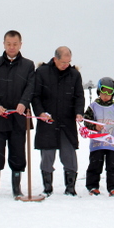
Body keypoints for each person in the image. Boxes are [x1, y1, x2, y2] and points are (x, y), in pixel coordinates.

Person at [0, 30, 35, 198]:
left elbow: (30, 87)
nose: (11, 47)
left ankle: (16, 188)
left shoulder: (28, 65)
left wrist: (23, 103)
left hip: (19, 118)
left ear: (20, 44)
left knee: (18, 152)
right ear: (3, 44)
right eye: (8, 44)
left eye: (15, 44)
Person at [32, 46, 84, 196]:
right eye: (63, 62)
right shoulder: (42, 72)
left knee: (69, 155)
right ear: (55, 59)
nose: (65, 65)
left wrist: (78, 112)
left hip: (67, 122)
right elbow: (36, 96)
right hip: (47, 121)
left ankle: (70, 187)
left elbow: (79, 96)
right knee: (47, 155)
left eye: (68, 62)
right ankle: (47, 187)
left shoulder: (74, 75)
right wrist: (40, 112)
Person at [83, 77, 114, 197]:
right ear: (99, 91)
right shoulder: (93, 107)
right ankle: (92, 186)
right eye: (104, 91)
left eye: (109, 92)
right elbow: (86, 120)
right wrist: (94, 126)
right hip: (97, 142)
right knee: (95, 164)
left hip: (112, 143)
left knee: (113, 166)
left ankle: (113, 187)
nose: (106, 95)